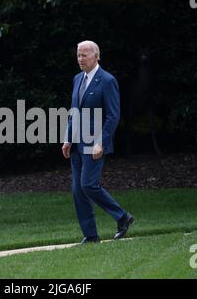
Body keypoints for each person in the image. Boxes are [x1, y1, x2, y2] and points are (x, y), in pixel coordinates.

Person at [62, 40, 134, 244]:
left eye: (84, 55)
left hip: (95, 144)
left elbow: (113, 116)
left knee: (88, 185)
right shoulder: (77, 79)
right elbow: (73, 113)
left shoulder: (107, 80)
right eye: (78, 55)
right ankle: (91, 235)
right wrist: (67, 139)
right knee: (78, 190)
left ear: (97, 56)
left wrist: (101, 142)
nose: (80, 59)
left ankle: (122, 217)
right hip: (76, 143)